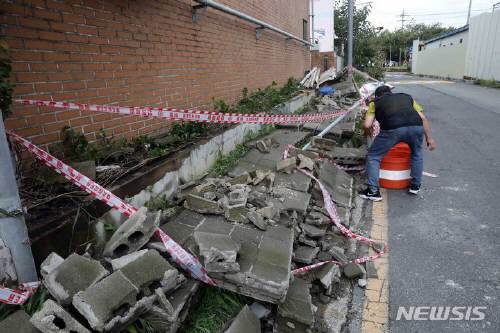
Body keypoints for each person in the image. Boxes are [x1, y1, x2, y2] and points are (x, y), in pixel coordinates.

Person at [359, 85, 437, 201]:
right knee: (416, 153)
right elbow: (423, 118)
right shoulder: (407, 98)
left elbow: (367, 125)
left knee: (373, 156)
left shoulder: (375, 103)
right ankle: (415, 186)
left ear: (377, 96)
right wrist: (429, 139)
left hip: (393, 129)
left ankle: (373, 191)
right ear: (390, 92)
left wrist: (366, 133)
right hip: (416, 127)